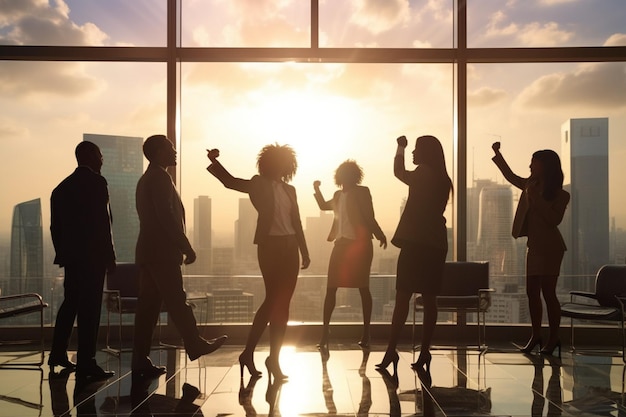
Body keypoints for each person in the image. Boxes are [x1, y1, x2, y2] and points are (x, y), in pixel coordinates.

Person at [206, 144, 310, 381]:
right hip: (270, 247)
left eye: (287, 162)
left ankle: (274, 359)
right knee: (272, 300)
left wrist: (305, 251)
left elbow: (297, 222)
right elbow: (230, 182)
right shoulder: (258, 183)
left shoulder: (290, 190)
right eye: (280, 161)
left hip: (290, 248)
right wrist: (214, 161)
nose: (284, 165)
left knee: (283, 305)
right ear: (270, 163)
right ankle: (249, 352)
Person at [132, 134, 227, 378]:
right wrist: (186, 246)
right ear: (158, 152)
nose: (175, 152)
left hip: (148, 251)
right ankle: (194, 343)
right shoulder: (160, 178)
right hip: (162, 252)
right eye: (170, 148)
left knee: (148, 310)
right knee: (176, 301)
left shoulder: (147, 179)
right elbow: (166, 217)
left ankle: (140, 359)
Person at [376, 135, 452, 373]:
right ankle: (425, 351)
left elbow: (399, 172)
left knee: (402, 298)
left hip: (417, 243)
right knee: (429, 300)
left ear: (426, 153)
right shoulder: (443, 178)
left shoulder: (423, 172)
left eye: (416, 149)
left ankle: (391, 350)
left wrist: (399, 146)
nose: (413, 153)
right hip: (435, 243)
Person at [491, 142, 569, 356]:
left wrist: (536, 199)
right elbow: (510, 176)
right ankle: (536, 335)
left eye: (533, 162)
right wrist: (498, 154)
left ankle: (553, 338)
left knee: (548, 293)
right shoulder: (529, 185)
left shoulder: (561, 195)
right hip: (533, 246)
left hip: (551, 247)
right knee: (531, 292)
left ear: (545, 166)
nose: (530, 166)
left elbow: (553, 220)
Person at [49, 141, 117, 381]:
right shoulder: (97, 183)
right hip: (93, 258)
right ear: (88, 155)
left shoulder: (60, 188)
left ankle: (57, 352)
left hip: (72, 258)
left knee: (70, 304)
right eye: (99, 154)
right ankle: (87, 361)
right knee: (90, 309)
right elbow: (102, 224)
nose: (102, 159)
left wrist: (65, 253)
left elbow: (55, 228)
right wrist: (110, 258)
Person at [313, 160, 387, 349]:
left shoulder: (362, 192)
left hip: (360, 246)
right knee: (331, 288)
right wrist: (317, 189)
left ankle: (366, 333)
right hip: (340, 245)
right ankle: (324, 334)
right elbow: (323, 206)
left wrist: (379, 234)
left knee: (363, 288)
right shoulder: (337, 195)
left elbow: (369, 216)